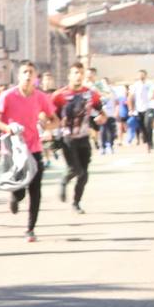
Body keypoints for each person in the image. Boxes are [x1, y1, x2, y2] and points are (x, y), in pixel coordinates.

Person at [0, 62, 55, 242]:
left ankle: (30, 229)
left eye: (31, 73)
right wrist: (7, 128)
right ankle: (15, 197)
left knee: (36, 189)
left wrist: (47, 128)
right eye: (24, 72)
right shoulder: (8, 95)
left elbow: (54, 119)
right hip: (13, 150)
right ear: (19, 76)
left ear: (35, 77)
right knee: (19, 190)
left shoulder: (40, 97)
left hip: (33, 148)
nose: (27, 76)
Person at [51, 62, 104, 214]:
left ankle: (76, 202)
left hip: (84, 137)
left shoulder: (91, 94)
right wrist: (49, 131)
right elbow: (50, 114)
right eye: (75, 72)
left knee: (84, 175)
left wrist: (101, 118)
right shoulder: (59, 95)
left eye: (81, 72)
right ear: (69, 75)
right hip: (67, 138)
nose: (79, 76)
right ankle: (64, 180)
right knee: (76, 169)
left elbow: (101, 112)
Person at [129, 69, 154, 151]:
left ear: (146, 75)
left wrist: (152, 96)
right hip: (139, 109)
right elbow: (131, 97)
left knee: (148, 124)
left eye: (142, 74)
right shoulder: (135, 85)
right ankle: (147, 141)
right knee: (142, 127)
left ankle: (150, 142)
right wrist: (131, 109)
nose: (141, 76)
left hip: (149, 107)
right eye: (139, 75)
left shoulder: (150, 84)